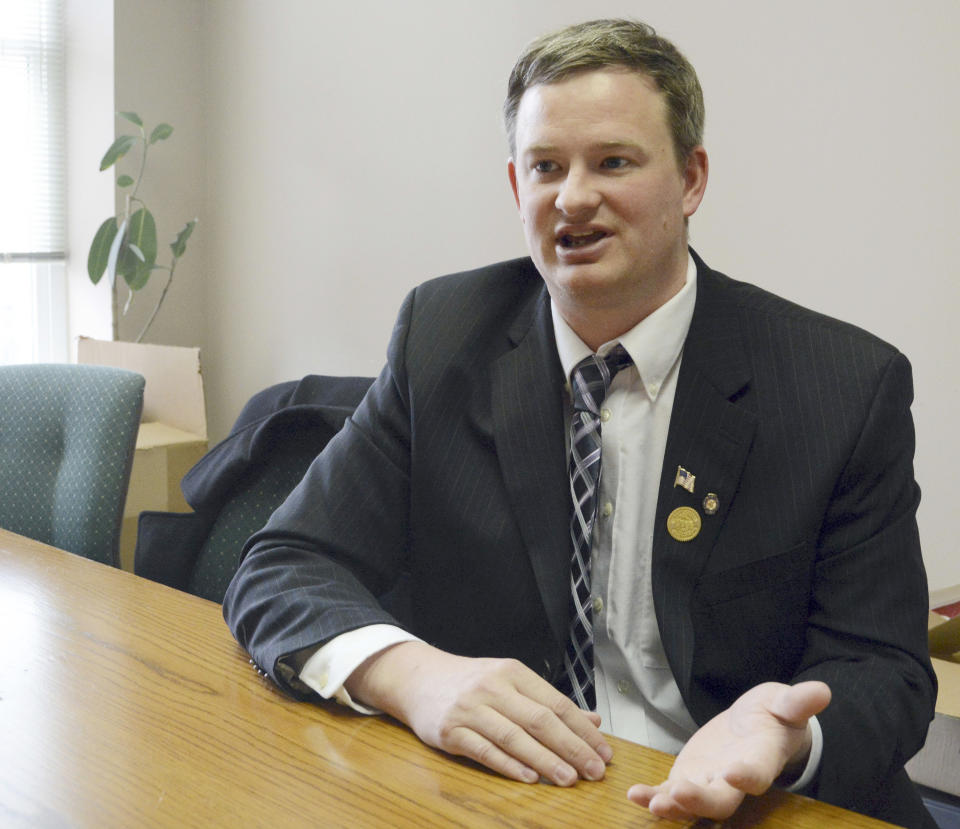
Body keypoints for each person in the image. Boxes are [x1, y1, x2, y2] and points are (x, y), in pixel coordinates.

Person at [223, 19, 936, 827]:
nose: (573, 197)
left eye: (614, 162)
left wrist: (787, 736)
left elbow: (889, 669)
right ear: (515, 186)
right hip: (519, 794)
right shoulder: (441, 336)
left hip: (752, 806)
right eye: (546, 167)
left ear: (692, 179)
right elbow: (280, 563)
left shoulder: (840, 385)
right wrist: (417, 676)